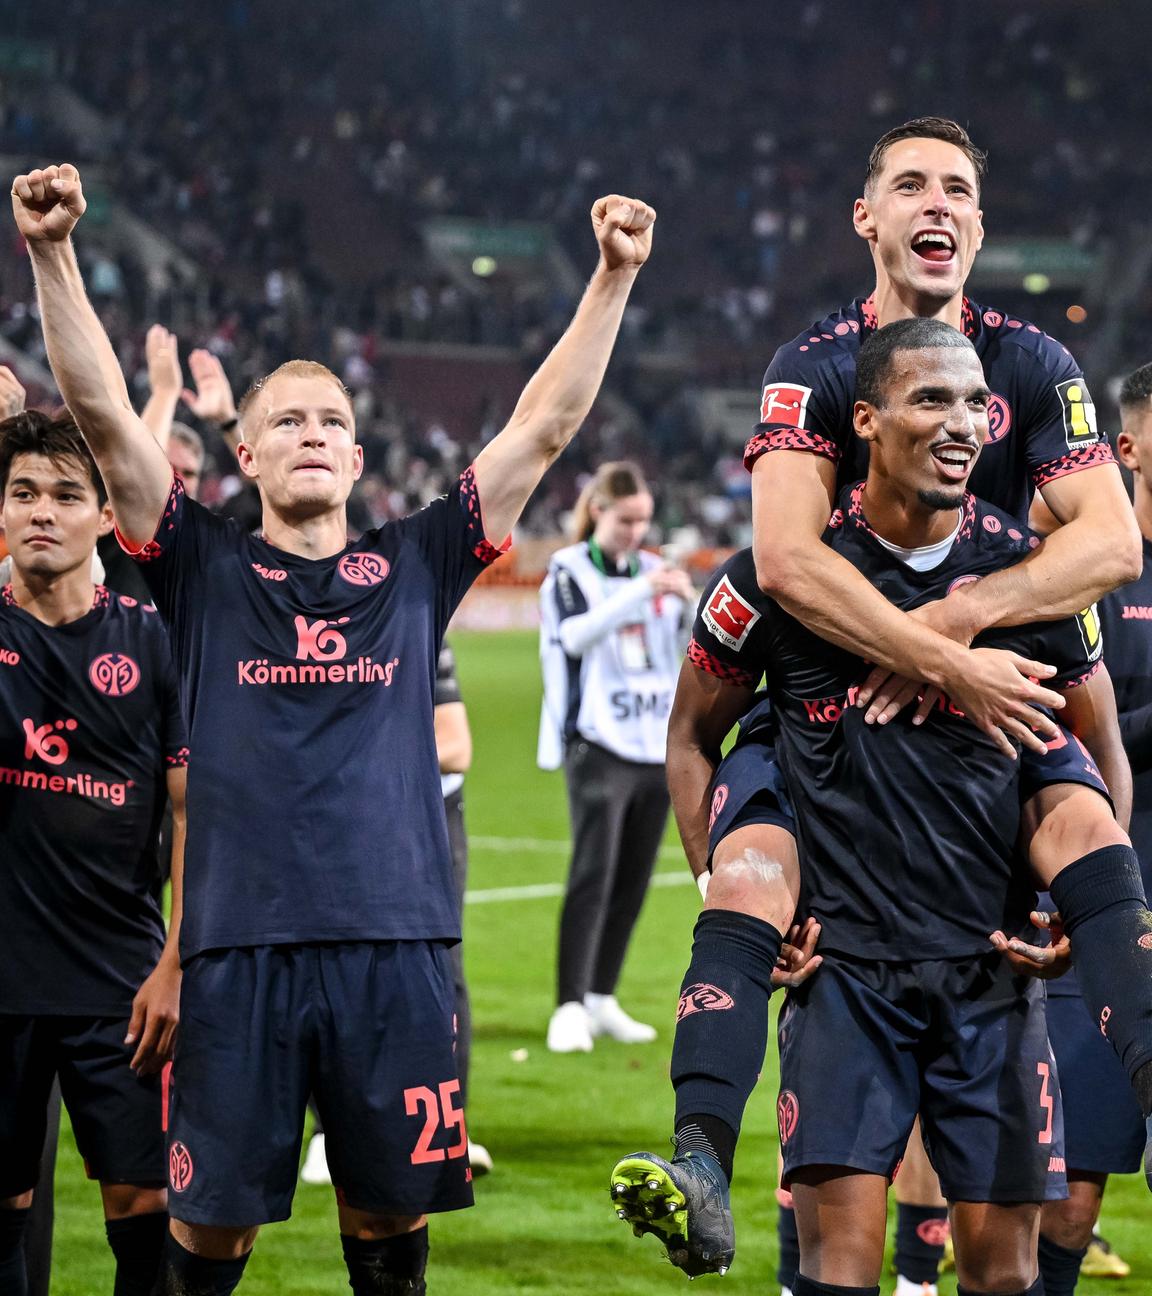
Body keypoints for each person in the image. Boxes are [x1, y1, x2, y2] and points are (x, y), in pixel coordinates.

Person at [13, 159, 655, 1294]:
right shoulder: (203, 565)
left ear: (358, 459)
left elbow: (542, 431)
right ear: (243, 456)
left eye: (333, 420)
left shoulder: (415, 561)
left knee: (388, 1231)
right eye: (287, 421)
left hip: (395, 949)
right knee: (206, 1240)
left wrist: (610, 277)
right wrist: (53, 254)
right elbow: (109, 421)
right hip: (236, 953)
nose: (312, 432)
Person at [613, 115, 1152, 1278]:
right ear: (867, 217)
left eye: (958, 187)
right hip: (829, 718)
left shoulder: (1034, 366)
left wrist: (960, 624)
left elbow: (1108, 548)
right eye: (909, 184)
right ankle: (708, 1160)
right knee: (763, 896)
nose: (936, 205)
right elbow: (788, 563)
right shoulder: (812, 369)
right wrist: (934, 653)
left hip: (995, 712)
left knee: (1082, 830)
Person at [0, 410, 188, 1295]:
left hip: (125, 983)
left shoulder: (153, 643)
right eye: (22, 492)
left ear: (103, 514)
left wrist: (177, 965)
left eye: (66, 495)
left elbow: (194, 818)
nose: (42, 511)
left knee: (148, 1215)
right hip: (2, 979)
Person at [1031, 362, 1152, 1294]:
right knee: (1071, 1189)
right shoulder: (1088, 579)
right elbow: (1064, 734)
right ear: (1128, 448)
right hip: (1110, 908)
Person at [301, 640, 493, 1183]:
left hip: (426, 817)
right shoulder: (306, 628)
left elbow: (455, 744)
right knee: (332, 965)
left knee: (441, 970)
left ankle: (448, 1127)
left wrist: (343, 752)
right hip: (337, 818)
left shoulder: (418, 624)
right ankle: (327, 1132)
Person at [538, 462, 695, 1052]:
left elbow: (683, 650)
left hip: (652, 744)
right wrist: (638, 593)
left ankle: (602, 996)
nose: (636, 531)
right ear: (599, 510)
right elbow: (572, 637)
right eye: (627, 519)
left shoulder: (655, 571)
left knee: (633, 878)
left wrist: (686, 604)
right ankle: (568, 1005)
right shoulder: (568, 570)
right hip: (597, 742)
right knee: (593, 873)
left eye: (644, 522)